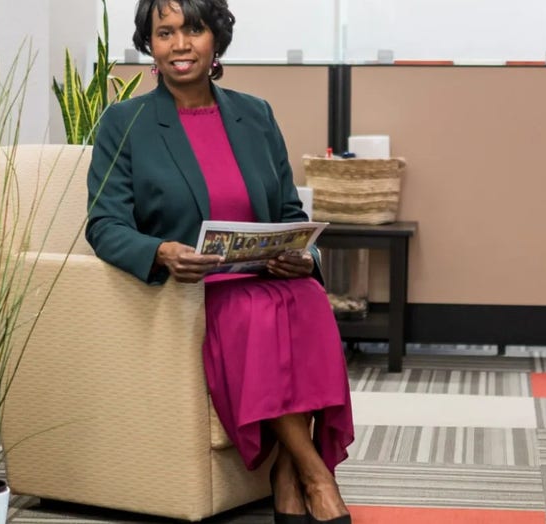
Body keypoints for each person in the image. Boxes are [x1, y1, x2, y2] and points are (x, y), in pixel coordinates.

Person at [84, 1, 354, 523]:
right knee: (257, 312)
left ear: (216, 40)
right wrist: (160, 251)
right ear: (149, 45)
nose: (180, 45)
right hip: (198, 289)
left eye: (193, 30)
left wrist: (305, 256)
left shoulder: (256, 115)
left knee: (310, 298)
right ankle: (315, 475)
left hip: (268, 274)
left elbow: (290, 213)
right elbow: (104, 224)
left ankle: (286, 476)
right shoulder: (125, 122)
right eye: (164, 33)